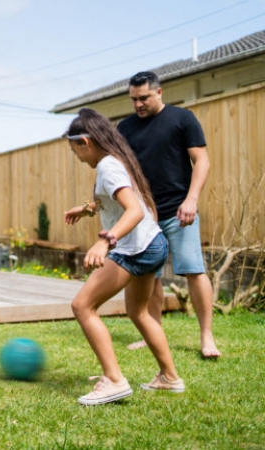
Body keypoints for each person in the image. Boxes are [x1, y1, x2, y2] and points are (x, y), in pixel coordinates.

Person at [64, 108, 184, 406]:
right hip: (153, 243)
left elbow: (134, 210)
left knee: (82, 306)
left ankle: (114, 381)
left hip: (135, 249)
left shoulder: (108, 167)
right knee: (139, 312)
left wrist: (106, 241)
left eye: (75, 150)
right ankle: (170, 377)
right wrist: (87, 209)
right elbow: (114, 199)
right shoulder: (116, 160)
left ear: (85, 142)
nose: (77, 157)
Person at [118, 71, 220, 359]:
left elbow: (201, 160)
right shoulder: (125, 128)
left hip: (179, 210)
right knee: (148, 276)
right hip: (144, 215)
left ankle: (207, 336)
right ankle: (153, 332)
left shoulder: (182, 119)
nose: (138, 104)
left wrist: (191, 199)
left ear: (159, 92)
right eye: (133, 99)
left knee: (193, 270)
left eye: (144, 98)